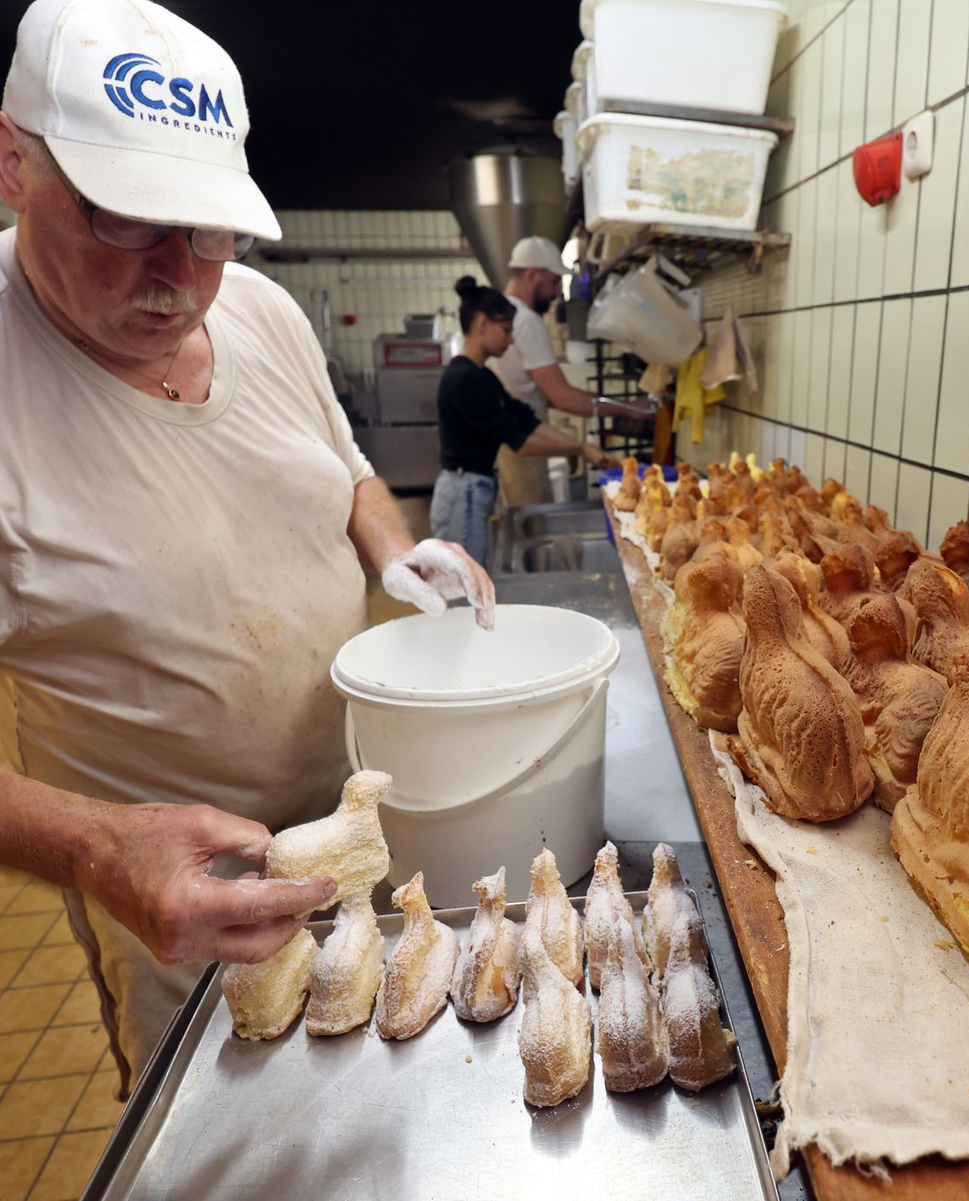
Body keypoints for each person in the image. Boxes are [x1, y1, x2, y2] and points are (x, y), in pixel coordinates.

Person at [0, 0, 494, 1095]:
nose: (177, 275)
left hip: (354, 824)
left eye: (211, 231)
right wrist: (94, 851)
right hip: (182, 904)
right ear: (11, 163)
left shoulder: (263, 310)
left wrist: (389, 550)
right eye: (124, 219)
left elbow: (347, 465)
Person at [431, 277, 617, 565]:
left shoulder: (482, 375)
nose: (511, 339)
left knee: (468, 579)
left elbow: (525, 421)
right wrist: (579, 449)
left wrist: (582, 446)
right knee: (461, 586)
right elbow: (522, 443)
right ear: (482, 324)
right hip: (462, 495)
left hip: (473, 489)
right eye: (506, 330)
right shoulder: (464, 379)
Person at [490, 235, 650, 506]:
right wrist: (632, 408)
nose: (557, 293)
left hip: (512, 441)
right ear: (533, 274)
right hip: (521, 446)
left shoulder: (504, 315)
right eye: (554, 281)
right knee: (529, 518)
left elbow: (553, 397)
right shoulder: (526, 322)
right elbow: (561, 397)